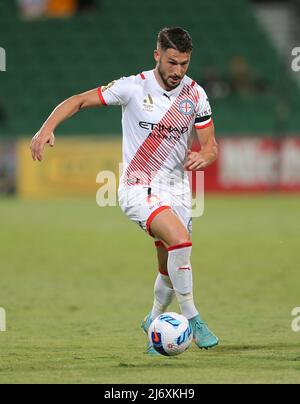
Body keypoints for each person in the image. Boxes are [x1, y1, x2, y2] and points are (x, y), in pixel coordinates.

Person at [30, 27, 219, 355]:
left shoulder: (195, 95)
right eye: (172, 62)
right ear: (157, 55)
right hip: (137, 187)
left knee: (171, 263)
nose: (178, 71)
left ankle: (154, 321)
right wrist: (46, 128)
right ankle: (194, 319)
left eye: (184, 64)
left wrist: (205, 155)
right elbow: (78, 101)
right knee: (179, 240)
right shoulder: (132, 87)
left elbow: (211, 145)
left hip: (176, 190)